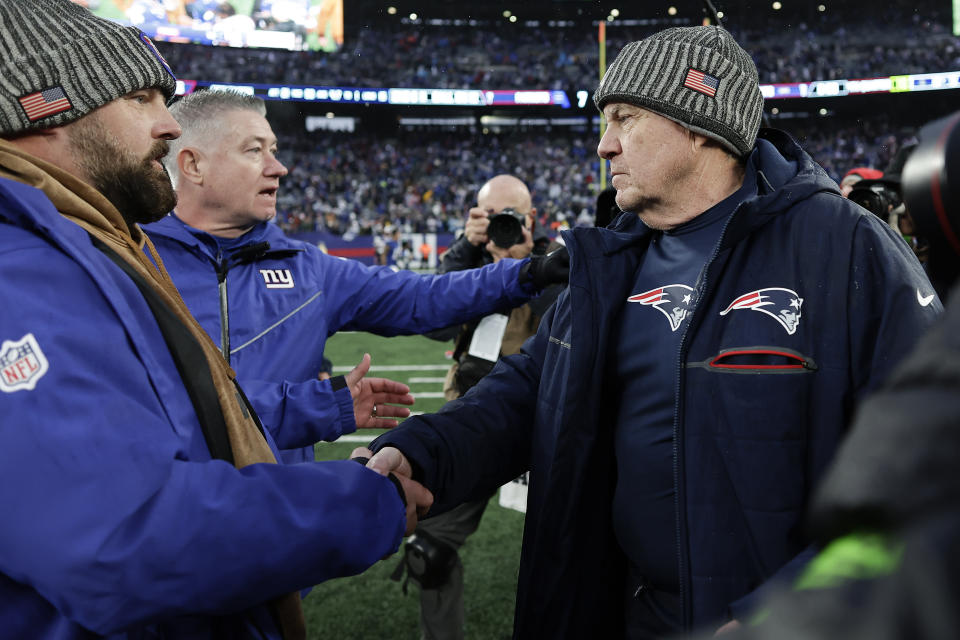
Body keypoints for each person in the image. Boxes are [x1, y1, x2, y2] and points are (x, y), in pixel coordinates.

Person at [354, 25, 943, 639]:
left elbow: (926, 466)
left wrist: (793, 610)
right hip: (625, 613)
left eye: (625, 118)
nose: (605, 146)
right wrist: (425, 449)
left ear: (699, 123)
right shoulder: (612, 261)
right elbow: (528, 394)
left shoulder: (847, 248)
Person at [0, 2, 432, 637]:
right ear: (48, 108)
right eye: (142, 98)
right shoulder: (21, 270)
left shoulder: (83, 247)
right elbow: (125, 540)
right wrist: (367, 502)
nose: (171, 127)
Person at [143, 89, 568, 464]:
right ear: (193, 165)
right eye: (255, 151)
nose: (279, 168)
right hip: (166, 529)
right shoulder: (128, 263)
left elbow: (422, 298)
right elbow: (159, 408)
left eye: (273, 149)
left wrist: (530, 271)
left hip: (274, 523)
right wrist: (322, 407)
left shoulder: (309, 269)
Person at [401, 175, 565, 640]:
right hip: (469, 417)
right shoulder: (467, 259)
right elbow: (430, 323)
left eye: (511, 217)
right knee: (427, 550)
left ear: (532, 219)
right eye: (491, 217)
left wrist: (527, 267)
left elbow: (574, 314)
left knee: (568, 553)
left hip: (542, 424)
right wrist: (463, 251)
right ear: (477, 218)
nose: (503, 226)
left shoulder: (556, 258)